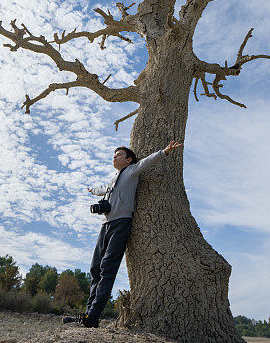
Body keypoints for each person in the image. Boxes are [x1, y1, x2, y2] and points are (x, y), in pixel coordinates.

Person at [63, 140, 183, 328]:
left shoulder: (132, 171)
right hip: (106, 225)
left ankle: (93, 316)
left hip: (121, 224)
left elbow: (147, 162)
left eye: (119, 154)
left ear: (128, 160)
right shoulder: (114, 179)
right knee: (95, 268)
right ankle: (88, 313)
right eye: (114, 154)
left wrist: (165, 151)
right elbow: (103, 189)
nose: (114, 156)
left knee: (107, 269)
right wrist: (93, 191)